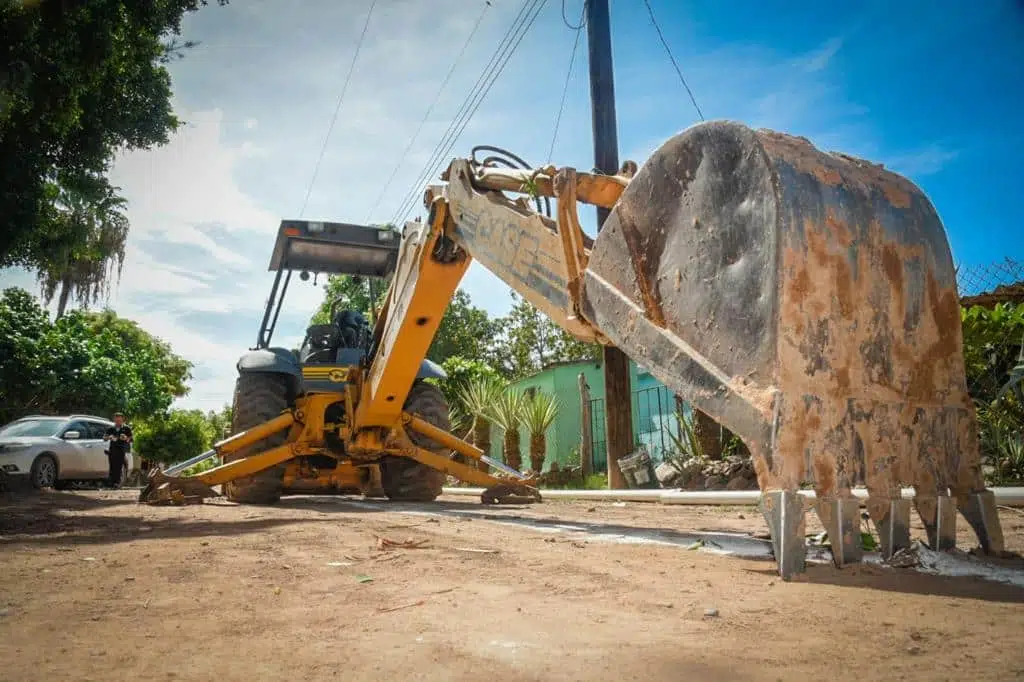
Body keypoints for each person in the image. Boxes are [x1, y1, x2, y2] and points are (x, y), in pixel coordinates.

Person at [103, 412, 133, 489]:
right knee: (112, 467)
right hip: (112, 450)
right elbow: (104, 438)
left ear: (123, 419)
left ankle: (117, 483)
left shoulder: (126, 428)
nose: (118, 422)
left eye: (119, 420)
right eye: (116, 420)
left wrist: (126, 438)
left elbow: (131, 439)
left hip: (122, 450)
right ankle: (112, 484)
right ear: (114, 420)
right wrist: (109, 437)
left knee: (119, 467)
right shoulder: (111, 428)